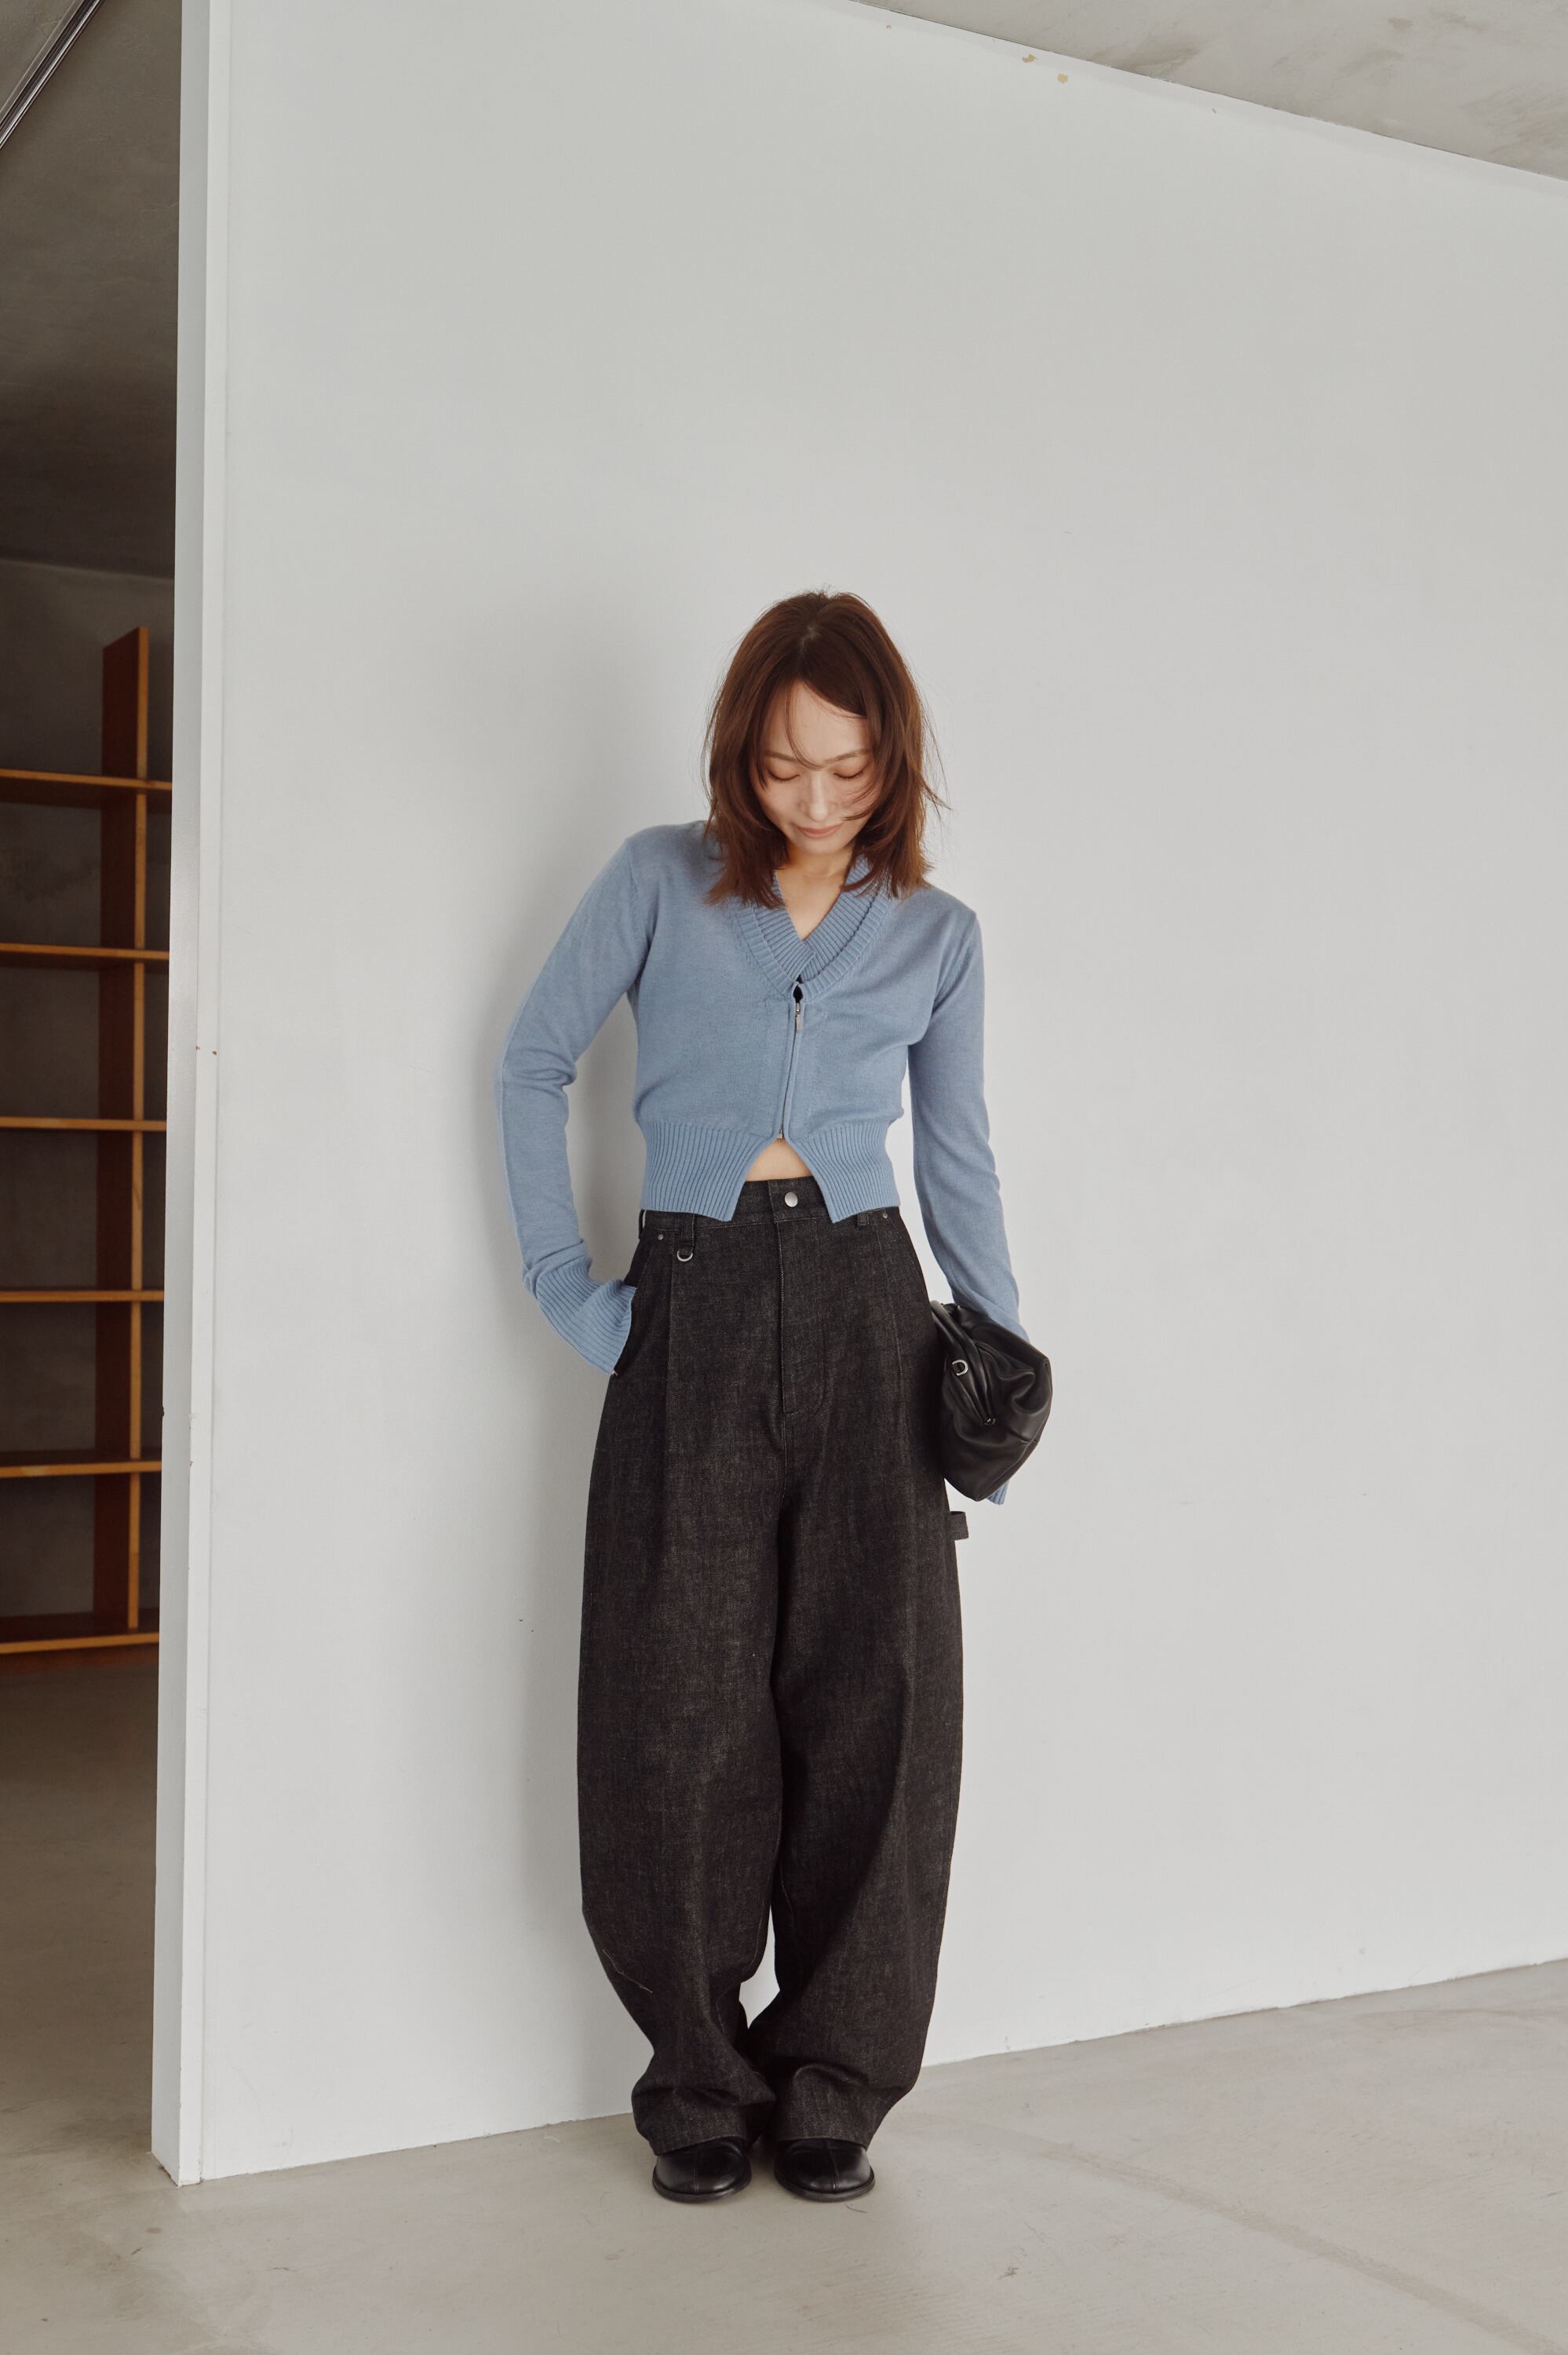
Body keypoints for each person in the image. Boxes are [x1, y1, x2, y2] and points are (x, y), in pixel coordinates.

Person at [493, 589, 1030, 2204]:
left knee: (881, 1703)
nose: (816, 798)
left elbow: (956, 1155)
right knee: (678, 1704)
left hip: (871, 1309)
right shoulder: (658, 879)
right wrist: (571, 1293)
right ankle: (698, 2082)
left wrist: (999, 1363)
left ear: (892, 764)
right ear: (740, 752)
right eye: (788, 765)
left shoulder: (937, 934)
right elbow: (531, 1061)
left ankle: (834, 2083)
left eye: (850, 770)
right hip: (692, 1299)